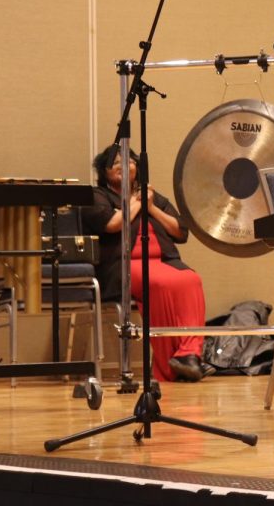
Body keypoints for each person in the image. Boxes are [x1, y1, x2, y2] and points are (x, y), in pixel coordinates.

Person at [82, 144, 206, 383]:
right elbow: (112, 224)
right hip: (122, 267)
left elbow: (180, 231)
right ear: (104, 171)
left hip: (164, 261)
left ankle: (188, 354)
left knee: (191, 278)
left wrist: (151, 208)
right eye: (116, 163)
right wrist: (138, 203)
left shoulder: (152, 197)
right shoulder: (97, 196)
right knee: (158, 281)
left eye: (129, 161)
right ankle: (170, 365)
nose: (124, 166)